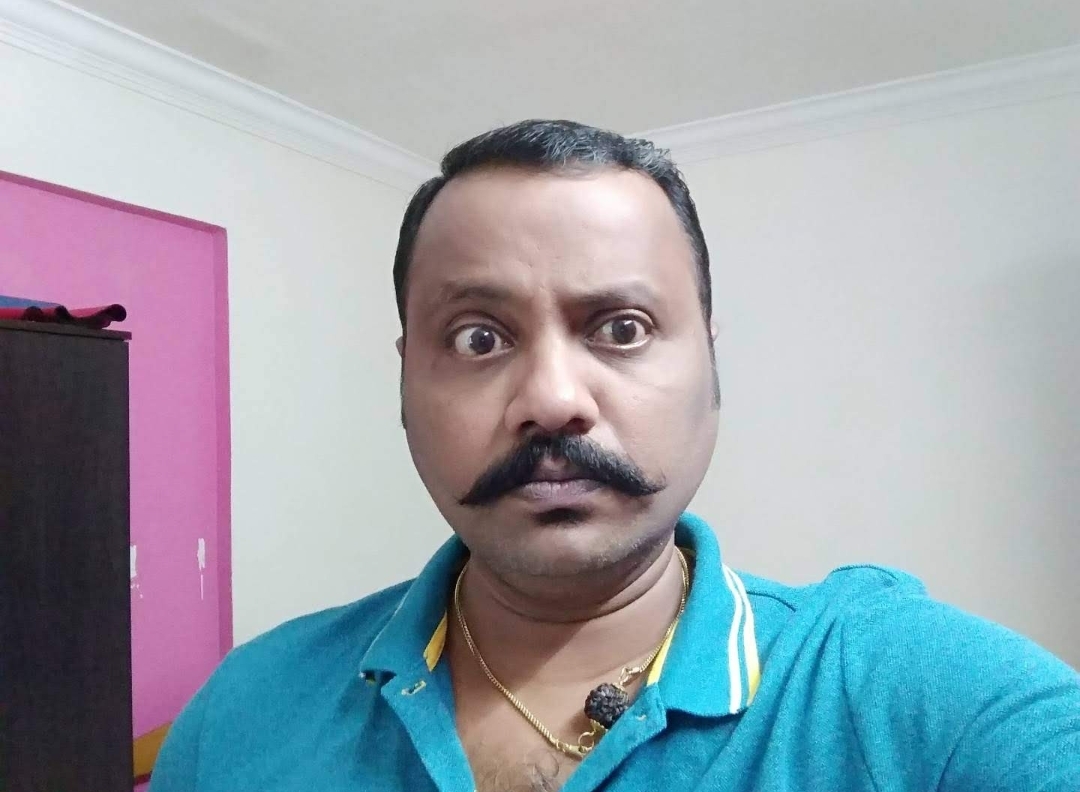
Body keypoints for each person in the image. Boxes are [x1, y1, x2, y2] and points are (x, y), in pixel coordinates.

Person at [151, 120, 1080, 792]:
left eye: (622, 328)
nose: (553, 398)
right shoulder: (244, 712)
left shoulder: (907, 694)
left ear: (710, 362)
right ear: (404, 383)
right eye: (478, 338)